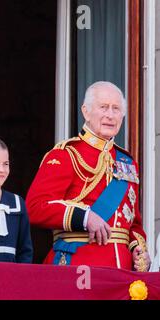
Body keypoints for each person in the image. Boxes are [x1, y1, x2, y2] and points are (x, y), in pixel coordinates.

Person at [26, 81, 151, 271]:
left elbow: (133, 222)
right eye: (103, 107)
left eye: (116, 109)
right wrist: (85, 217)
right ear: (86, 111)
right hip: (78, 265)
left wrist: (138, 248)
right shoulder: (65, 154)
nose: (110, 115)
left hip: (123, 271)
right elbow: (35, 208)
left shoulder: (127, 162)